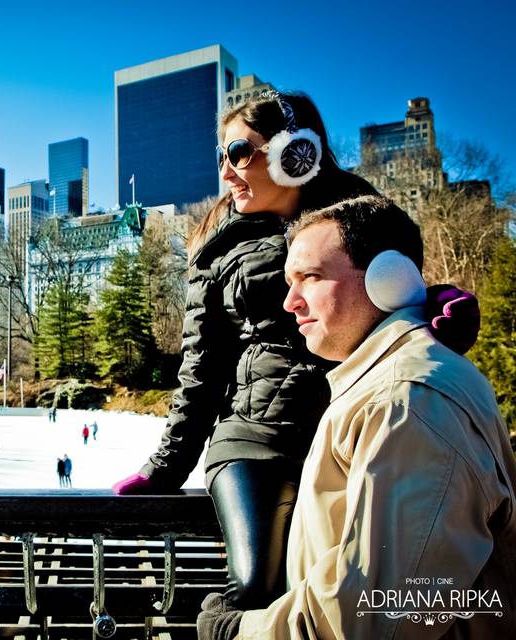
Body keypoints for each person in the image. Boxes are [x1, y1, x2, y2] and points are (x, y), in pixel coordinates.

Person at [112, 91, 479, 610]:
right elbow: (201, 370)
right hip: (256, 441)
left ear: (295, 150)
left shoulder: (362, 221)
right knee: (260, 584)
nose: (226, 172)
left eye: (238, 151)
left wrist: (435, 305)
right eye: (220, 156)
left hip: (352, 429)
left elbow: (391, 298)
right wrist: (165, 468)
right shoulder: (216, 251)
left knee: (374, 583)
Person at [198, 195, 516, 639]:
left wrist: (239, 631)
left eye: (310, 277)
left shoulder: (406, 402)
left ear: (390, 278)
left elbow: (372, 617)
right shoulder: (383, 384)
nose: (290, 302)